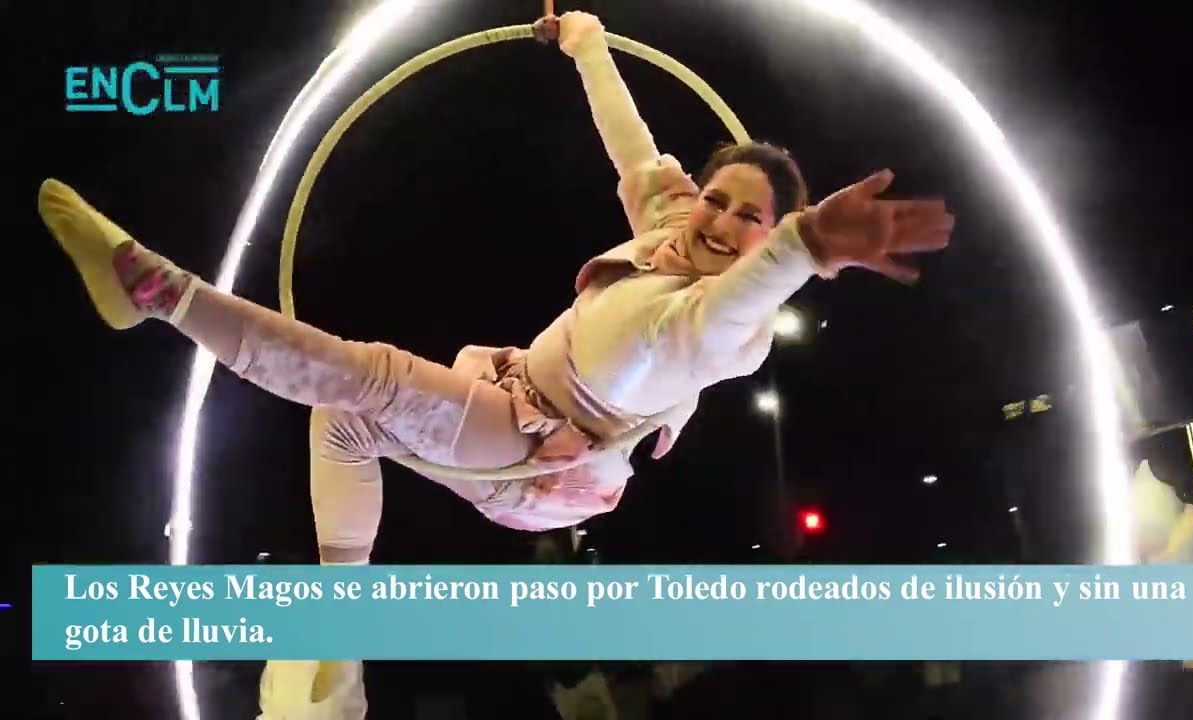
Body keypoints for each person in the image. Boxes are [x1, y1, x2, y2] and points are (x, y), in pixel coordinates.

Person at [38, 11, 952, 718]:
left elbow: (741, 302)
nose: (719, 221)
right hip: (508, 406)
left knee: (374, 376)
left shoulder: (721, 322)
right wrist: (587, 46)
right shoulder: (677, 236)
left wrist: (803, 245)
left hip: (545, 464)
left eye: (747, 218)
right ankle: (335, 641)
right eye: (719, 198)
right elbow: (633, 147)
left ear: (763, 243)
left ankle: (158, 291)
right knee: (348, 422)